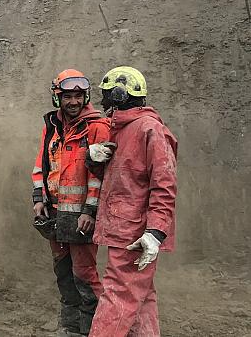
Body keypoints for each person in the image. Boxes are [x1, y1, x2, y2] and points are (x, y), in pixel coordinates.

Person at [88, 66, 178, 337]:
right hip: (124, 231)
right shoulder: (122, 129)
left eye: (106, 96)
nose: (103, 103)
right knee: (142, 297)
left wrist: (155, 232)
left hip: (135, 234)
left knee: (117, 298)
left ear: (118, 95)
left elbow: (164, 184)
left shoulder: (150, 130)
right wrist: (94, 161)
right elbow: (123, 180)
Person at [32, 69, 109, 336]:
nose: (73, 102)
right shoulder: (51, 126)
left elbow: (99, 175)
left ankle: (94, 330)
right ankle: (70, 328)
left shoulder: (97, 127)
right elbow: (41, 164)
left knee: (85, 277)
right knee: (64, 275)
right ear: (57, 98)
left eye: (78, 96)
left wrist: (90, 210)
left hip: (81, 219)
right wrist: (38, 198)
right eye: (67, 96)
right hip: (55, 216)